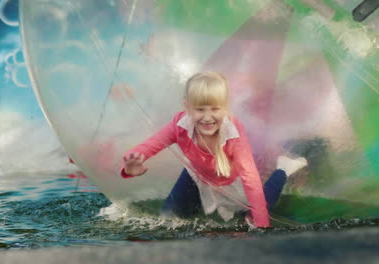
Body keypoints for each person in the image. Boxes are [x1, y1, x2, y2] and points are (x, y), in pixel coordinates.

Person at [121, 71, 307, 228]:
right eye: (200, 109)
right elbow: (153, 144)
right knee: (167, 218)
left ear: (224, 108)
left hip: (231, 181)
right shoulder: (180, 125)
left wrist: (261, 227)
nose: (208, 117)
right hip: (197, 174)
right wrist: (133, 164)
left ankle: (283, 169)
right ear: (187, 107)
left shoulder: (232, 135)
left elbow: (250, 179)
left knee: (256, 212)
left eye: (215, 109)